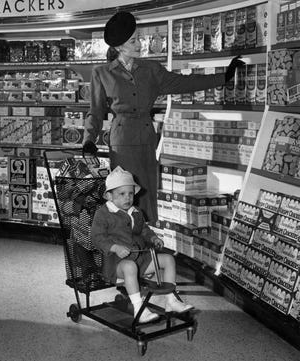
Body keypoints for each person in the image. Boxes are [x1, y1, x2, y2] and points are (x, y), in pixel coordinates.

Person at [83, 11, 245, 222]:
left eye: (138, 38)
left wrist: (223, 76)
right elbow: (95, 111)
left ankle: (146, 243)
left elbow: (183, 83)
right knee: (124, 195)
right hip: (122, 143)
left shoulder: (151, 70)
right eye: (134, 41)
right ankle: (124, 245)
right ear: (119, 47)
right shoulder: (101, 73)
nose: (140, 43)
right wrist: (88, 139)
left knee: (146, 195)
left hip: (148, 139)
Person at [91, 166, 194, 323]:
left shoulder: (136, 212)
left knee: (168, 260)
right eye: (122, 194)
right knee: (130, 267)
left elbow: (144, 230)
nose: (128, 198)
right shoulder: (103, 214)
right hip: (117, 264)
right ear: (109, 196)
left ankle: (171, 300)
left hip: (141, 259)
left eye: (131, 194)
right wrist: (115, 247)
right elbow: (97, 237)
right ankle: (139, 309)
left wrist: (153, 238)